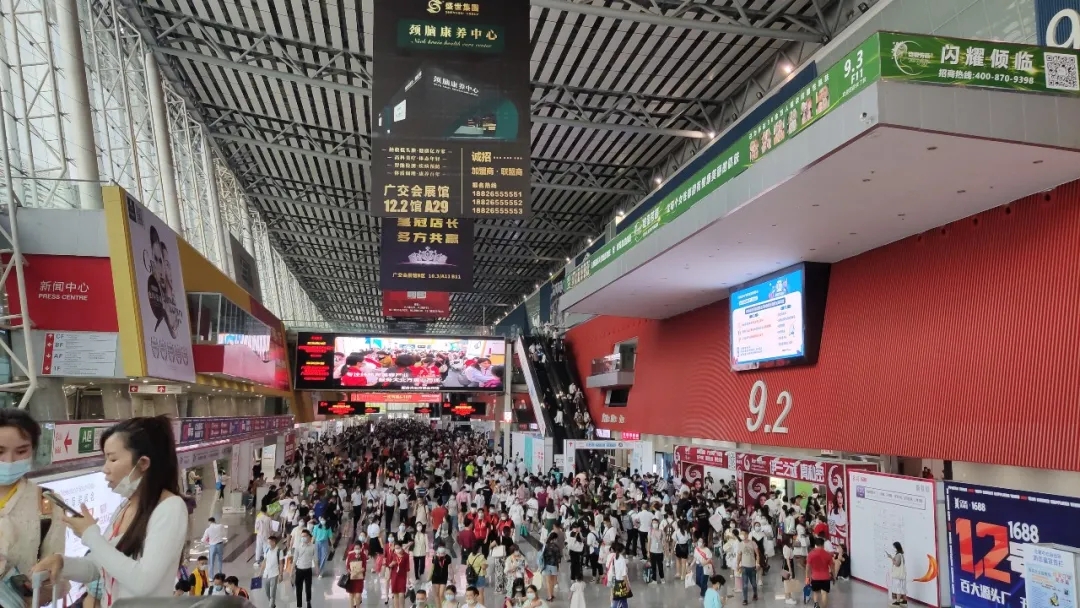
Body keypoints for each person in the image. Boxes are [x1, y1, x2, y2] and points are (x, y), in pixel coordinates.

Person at [33, 416, 189, 606]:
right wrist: (63, 563)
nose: (105, 469)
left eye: (113, 459)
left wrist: (91, 535)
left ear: (143, 463)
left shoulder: (170, 508)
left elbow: (143, 582)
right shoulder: (125, 507)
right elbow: (98, 567)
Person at [0, 410, 65, 591]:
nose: (9, 461)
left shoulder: (47, 502)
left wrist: (36, 590)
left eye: (21, 451)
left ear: (33, 450)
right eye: (0, 451)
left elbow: (54, 577)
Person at [807, 537, 835, 608]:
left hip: (815, 577)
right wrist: (834, 576)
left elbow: (808, 567)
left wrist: (807, 577)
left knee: (816, 592)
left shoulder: (811, 554)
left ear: (815, 545)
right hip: (825, 577)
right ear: (823, 545)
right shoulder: (828, 554)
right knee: (824, 593)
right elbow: (832, 567)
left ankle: (816, 604)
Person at [293, 528, 316, 608]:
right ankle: (299, 605)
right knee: (298, 588)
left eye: (305, 536)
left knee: (308, 587)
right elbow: (295, 559)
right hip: (299, 570)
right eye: (302, 536)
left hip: (308, 570)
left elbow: (315, 558)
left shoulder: (313, 547)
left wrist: (317, 569)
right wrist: (292, 571)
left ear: (309, 537)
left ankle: (308, 601)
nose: (303, 538)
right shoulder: (298, 547)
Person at [259, 534, 284, 608]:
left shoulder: (279, 551)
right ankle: (272, 604)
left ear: (274, 542)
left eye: (269, 542)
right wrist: (260, 572)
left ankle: (271, 605)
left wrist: (281, 574)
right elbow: (264, 561)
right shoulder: (267, 550)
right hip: (266, 574)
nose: (268, 544)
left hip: (274, 574)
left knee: (272, 593)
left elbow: (281, 563)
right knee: (267, 591)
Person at [737, 530, 759, 605]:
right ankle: (745, 599)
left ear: (747, 535)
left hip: (752, 567)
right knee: (745, 585)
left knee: (754, 583)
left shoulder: (753, 543)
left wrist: (757, 563)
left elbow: (757, 554)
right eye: (741, 534)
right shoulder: (740, 544)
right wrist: (737, 564)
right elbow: (739, 555)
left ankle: (755, 594)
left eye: (743, 534)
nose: (742, 535)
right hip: (744, 567)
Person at [345, 540, 368, 607]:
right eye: (355, 548)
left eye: (358, 548)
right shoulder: (350, 555)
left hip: (359, 579)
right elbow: (347, 566)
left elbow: (364, 567)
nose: (357, 550)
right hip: (351, 579)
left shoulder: (363, 556)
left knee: (358, 596)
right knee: (351, 595)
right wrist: (350, 571)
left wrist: (357, 572)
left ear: (361, 548)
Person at [389, 541, 411, 608]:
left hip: (402, 577)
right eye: (395, 548)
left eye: (398, 548)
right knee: (395, 595)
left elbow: (407, 568)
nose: (397, 550)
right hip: (394, 577)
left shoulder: (406, 556)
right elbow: (389, 565)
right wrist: (391, 564)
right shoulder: (393, 555)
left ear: (401, 547)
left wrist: (408, 579)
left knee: (401, 595)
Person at [888, 542, 907, 606]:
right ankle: (904, 600)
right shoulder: (901, 554)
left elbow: (897, 564)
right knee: (902, 587)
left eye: (894, 547)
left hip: (898, 575)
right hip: (901, 574)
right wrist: (892, 557)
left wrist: (891, 559)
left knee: (898, 587)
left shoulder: (898, 555)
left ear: (896, 547)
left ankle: (898, 601)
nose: (893, 548)